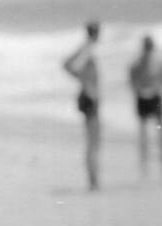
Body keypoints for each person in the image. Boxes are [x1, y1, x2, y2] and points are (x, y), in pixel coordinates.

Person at [62, 21, 101, 191]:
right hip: (89, 97)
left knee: (92, 141)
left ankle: (93, 180)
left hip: (86, 95)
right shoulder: (88, 48)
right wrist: (84, 81)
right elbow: (67, 65)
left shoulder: (86, 47)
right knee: (93, 142)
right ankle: (93, 181)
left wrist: (80, 79)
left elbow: (68, 65)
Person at [128, 35, 162, 176]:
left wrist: (148, 89)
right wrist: (144, 90)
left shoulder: (155, 63)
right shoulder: (138, 64)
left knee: (159, 134)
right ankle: (146, 166)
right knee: (146, 134)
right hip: (146, 98)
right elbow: (132, 82)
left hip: (152, 97)